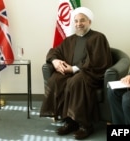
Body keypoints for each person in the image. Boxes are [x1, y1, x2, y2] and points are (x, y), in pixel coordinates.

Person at [39, 7, 112, 140]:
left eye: (82, 20)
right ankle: (69, 121)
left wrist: (73, 69)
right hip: (72, 73)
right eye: (76, 21)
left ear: (89, 21)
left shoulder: (98, 38)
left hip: (90, 74)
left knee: (75, 82)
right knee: (55, 80)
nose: (79, 24)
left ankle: (85, 125)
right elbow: (54, 51)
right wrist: (55, 61)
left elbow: (97, 61)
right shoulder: (70, 39)